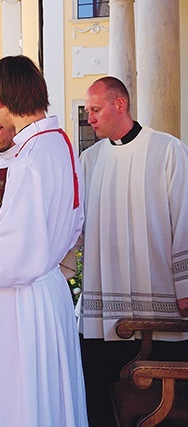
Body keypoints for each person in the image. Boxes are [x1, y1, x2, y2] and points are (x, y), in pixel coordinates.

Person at [0, 55, 88, 426]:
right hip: (49, 289)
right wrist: (4, 222)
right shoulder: (59, 144)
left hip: (23, 299)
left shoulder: (28, 158)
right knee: (49, 397)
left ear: (2, 100)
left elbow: (10, 260)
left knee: (24, 398)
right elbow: (66, 221)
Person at [79, 76, 188, 426]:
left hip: (161, 302)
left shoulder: (167, 150)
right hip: (104, 308)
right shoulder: (88, 161)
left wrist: (186, 287)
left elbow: (185, 218)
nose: (90, 118)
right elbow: (71, 225)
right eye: (87, 111)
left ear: (120, 104)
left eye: (95, 110)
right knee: (100, 397)